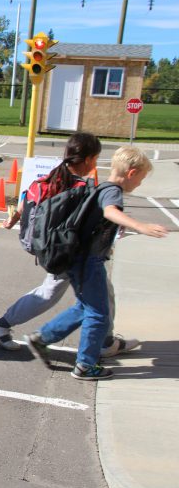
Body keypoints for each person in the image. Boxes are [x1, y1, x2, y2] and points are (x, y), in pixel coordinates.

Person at [0, 134, 137, 357]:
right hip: (69, 253)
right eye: (95, 159)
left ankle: (2, 324)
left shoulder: (48, 179)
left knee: (62, 292)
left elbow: (25, 203)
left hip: (47, 247)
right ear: (88, 160)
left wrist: (13, 220)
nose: (95, 164)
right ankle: (104, 343)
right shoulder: (80, 188)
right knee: (84, 297)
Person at [25, 146, 168, 380]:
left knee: (85, 308)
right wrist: (139, 226)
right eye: (141, 179)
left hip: (80, 259)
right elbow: (111, 211)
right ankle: (85, 365)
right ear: (131, 173)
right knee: (99, 314)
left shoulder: (101, 187)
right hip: (88, 262)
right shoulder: (113, 192)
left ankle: (42, 338)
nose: (140, 184)